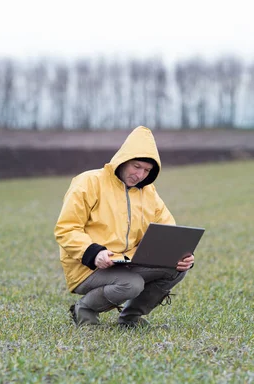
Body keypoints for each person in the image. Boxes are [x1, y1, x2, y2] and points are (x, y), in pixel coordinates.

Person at [54, 126, 194, 327]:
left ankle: (129, 319)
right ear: (123, 160)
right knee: (131, 284)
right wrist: (94, 253)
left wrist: (182, 255)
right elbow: (66, 229)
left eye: (147, 170)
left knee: (176, 269)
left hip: (126, 262)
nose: (140, 175)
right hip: (88, 266)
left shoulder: (149, 193)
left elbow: (168, 232)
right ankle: (83, 309)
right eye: (136, 166)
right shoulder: (88, 182)